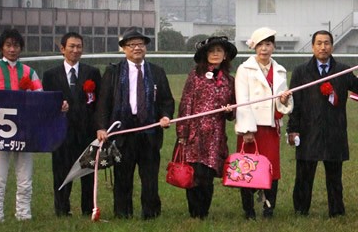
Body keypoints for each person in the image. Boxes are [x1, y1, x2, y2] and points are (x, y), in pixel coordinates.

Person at [0, 28, 67, 222]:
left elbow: (40, 96)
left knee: (25, 177)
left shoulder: (29, 72)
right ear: (1, 48)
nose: (12, 49)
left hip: (26, 131)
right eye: (8, 45)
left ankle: (24, 214)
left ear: (21, 48)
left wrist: (58, 105)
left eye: (16, 45)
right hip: (0, 132)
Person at [287, 30, 358, 217]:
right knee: (304, 174)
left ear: (332, 46)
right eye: (319, 43)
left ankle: (336, 211)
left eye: (326, 43)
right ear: (312, 47)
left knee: (334, 176)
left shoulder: (342, 70)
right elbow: (295, 104)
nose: (323, 47)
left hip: (334, 131)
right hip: (308, 130)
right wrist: (292, 129)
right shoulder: (301, 72)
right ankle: (300, 210)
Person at [96, 27, 174, 220]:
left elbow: (166, 100)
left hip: (149, 133)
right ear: (124, 48)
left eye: (140, 44)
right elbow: (103, 102)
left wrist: (165, 116)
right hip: (123, 133)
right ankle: (123, 213)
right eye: (132, 45)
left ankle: (151, 213)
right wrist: (101, 127)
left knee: (149, 177)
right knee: (123, 176)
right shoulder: (113, 72)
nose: (137, 48)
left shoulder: (156, 72)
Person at [235, 27, 293, 219]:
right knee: (247, 169)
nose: (264, 49)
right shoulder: (244, 69)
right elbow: (242, 101)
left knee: (271, 169)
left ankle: (269, 208)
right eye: (260, 45)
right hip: (252, 128)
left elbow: (282, 102)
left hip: (270, 128)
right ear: (254, 47)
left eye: (268, 44)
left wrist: (284, 101)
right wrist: (247, 130)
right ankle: (248, 210)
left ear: (274, 47)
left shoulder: (280, 70)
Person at [176, 36, 237, 219]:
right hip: (195, 133)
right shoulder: (195, 75)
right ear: (205, 55)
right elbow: (186, 103)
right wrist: (182, 132)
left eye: (219, 51)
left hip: (215, 135)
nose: (215, 54)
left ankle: (204, 212)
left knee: (207, 175)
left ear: (225, 55)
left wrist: (229, 111)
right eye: (212, 51)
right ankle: (194, 212)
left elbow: (233, 111)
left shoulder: (229, 80)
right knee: (194, 174)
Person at [42, 32, 102, 217]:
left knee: (87, 173)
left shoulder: (92, 73)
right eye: (71, 46)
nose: (75, 50)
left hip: (86, 132)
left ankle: (88, 209)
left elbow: (98, 103)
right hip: (61, 133)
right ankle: (61, 209)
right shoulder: (50, 75)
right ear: (62, 49)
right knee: (61, 172)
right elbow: (45, 106)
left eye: (79, 47)